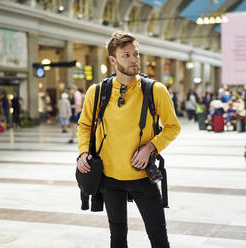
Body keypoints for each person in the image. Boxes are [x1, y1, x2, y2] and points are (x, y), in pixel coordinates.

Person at [77, 31, 181, 248]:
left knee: (158, 237)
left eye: (136, 54)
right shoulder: (96, 92)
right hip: (109, 177)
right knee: (117, 236)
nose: (134, 60)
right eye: (127, 55)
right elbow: (85, 125)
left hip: (143, 176)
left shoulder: (155, 90)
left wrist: (150, 147)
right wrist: (83, 152)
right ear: (113, 60)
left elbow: (173, 127)